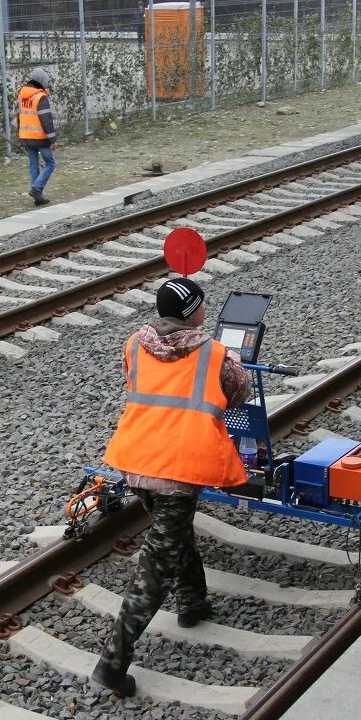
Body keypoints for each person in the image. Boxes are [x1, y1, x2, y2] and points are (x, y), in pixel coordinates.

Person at [91, 278, 251, 697]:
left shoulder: (134, 344)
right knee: (155, 568)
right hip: (179, 470)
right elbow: (238, 394)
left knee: (175, 535)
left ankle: (193, 603)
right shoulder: (215, 354)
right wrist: (232, 361)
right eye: (202, 304)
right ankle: (112, 664)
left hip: (136, 461)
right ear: (193, 311)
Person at [17, 67, 57, 206]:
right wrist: (52, 139)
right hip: (40, 137)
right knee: (51, 163)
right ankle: (36, 189)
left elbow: (20, 116)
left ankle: (37, 196)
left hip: (25, 135)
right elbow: (46, 120)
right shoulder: (40, 97)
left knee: (33, 165)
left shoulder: (22, 95)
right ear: (42, 81)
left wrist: (20, 134)